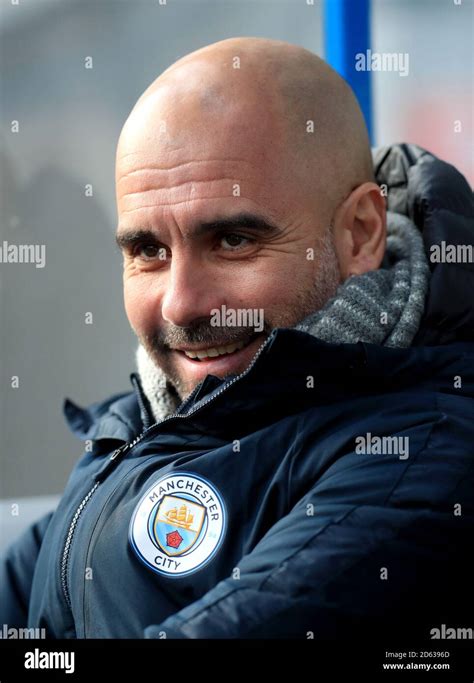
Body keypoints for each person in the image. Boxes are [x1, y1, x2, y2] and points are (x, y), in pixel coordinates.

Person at [1, 37, 473, 639]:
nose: (181, 304)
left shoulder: (421, 454)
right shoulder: (141, 426)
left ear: (360, 234)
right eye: (148, 250)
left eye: (232, 241)